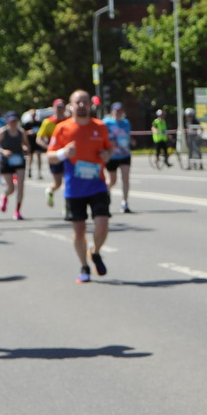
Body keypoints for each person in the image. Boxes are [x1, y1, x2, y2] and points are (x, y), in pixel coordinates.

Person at [47, 90, 115, 279]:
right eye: (78, 102)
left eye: (85, 101)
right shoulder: (62, 128)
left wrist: (107, 154)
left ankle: (95, 251)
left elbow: (109, 147)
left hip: (97, 185)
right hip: (74, 188)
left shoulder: (99, 126)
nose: (82, 105)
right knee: (79, 230)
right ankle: (84, 267)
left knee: (102, 224)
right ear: (71, 106)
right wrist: (63, 153)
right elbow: (50, 156)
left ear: (90, 105)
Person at [0, 111, 29, 217]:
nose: (13, 123)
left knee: (20, 185)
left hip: (19, 160)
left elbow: (26, 144)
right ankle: (4, 196)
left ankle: (17, 211)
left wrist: (25, 149)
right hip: (6, 161)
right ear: (7, 121)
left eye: (15, 121)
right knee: (11, 188)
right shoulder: (2, 132)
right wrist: (3, 151)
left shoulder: (21, 132)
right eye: (11, 121)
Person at [104, 101, 134, 212]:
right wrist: (111, 143)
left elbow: (127, 135)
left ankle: (125, 202)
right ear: (112, 111)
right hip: (112, 155)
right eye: (116, 111)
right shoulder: (106, 123)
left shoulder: (126, 123)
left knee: (125, 178)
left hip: (125, 154)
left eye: (120, 111)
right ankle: (104, 195)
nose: (118, 113)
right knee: (112, 180)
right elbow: (103, 137)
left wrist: (131, 141)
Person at [37, 97, 67, 205]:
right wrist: (48, 148)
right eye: (57, 107)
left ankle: (68, 205)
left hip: (67, 155)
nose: (59, 110)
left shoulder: (69, 121)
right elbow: (39, 139)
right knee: (58, 183)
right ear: (53, 108)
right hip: (54, 155)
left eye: (61, 108)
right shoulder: (48, 122)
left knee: (69, 181)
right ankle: (50, 191)